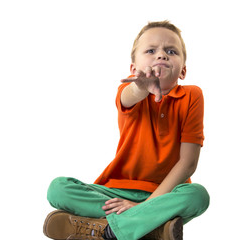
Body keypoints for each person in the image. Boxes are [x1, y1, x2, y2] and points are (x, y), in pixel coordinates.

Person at [43, 20, 210, 240]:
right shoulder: (131, 90)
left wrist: (145, 205)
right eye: (151, 50)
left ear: (184, 70)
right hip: (115, 192)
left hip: (164, 195)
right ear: (133, 69)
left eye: (171, 51)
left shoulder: (192, 95)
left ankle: (106, 230)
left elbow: (188, 163)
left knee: (198, 196)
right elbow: (129, 96)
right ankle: (150, 227)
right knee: (58, 188)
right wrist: (140, 86)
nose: (161, 55)